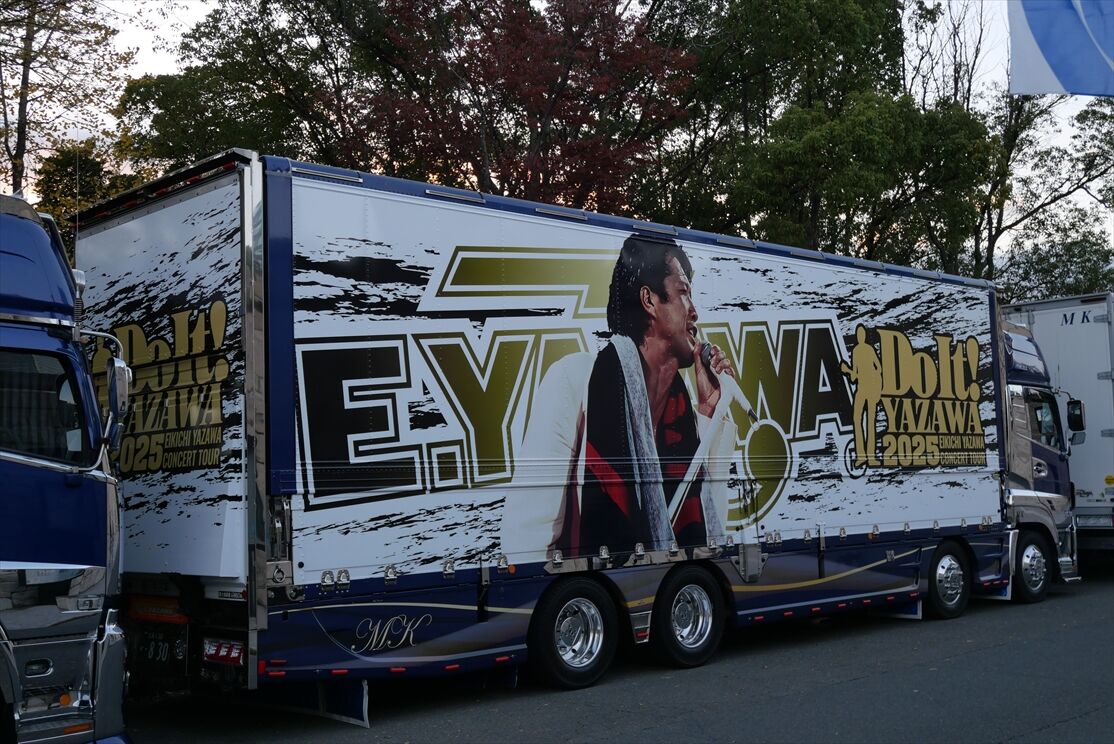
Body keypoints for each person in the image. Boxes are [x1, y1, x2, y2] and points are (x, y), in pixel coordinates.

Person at [500, 234, 738, 560]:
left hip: (665, 576)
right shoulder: (575, 380)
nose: (694, 312)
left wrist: (710, 411)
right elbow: (526, 540)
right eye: (683, 293)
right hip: (588, 581)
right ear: (649, 300)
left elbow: (710, 534)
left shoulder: (683, 415)